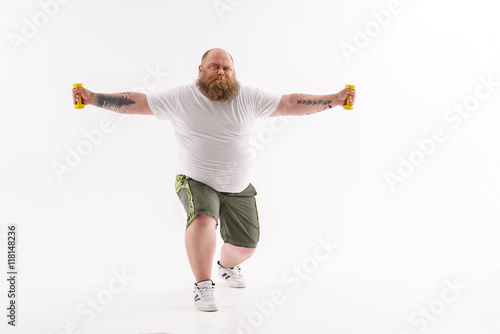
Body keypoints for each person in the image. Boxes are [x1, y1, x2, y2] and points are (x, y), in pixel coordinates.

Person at [71, 48, 356, 312]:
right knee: (204, 219)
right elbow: (138, 102)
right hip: (196, 179)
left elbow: (291, 103)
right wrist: (93, 97)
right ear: (201, 70)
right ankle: (203, 286)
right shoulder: (181, 97)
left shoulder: (249, 97)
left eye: (227, 68)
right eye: (214, 66)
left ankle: (226, 266)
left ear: (234, 72)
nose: (221, 72)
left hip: (238, 186)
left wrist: (335, 99)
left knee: (246, 247)